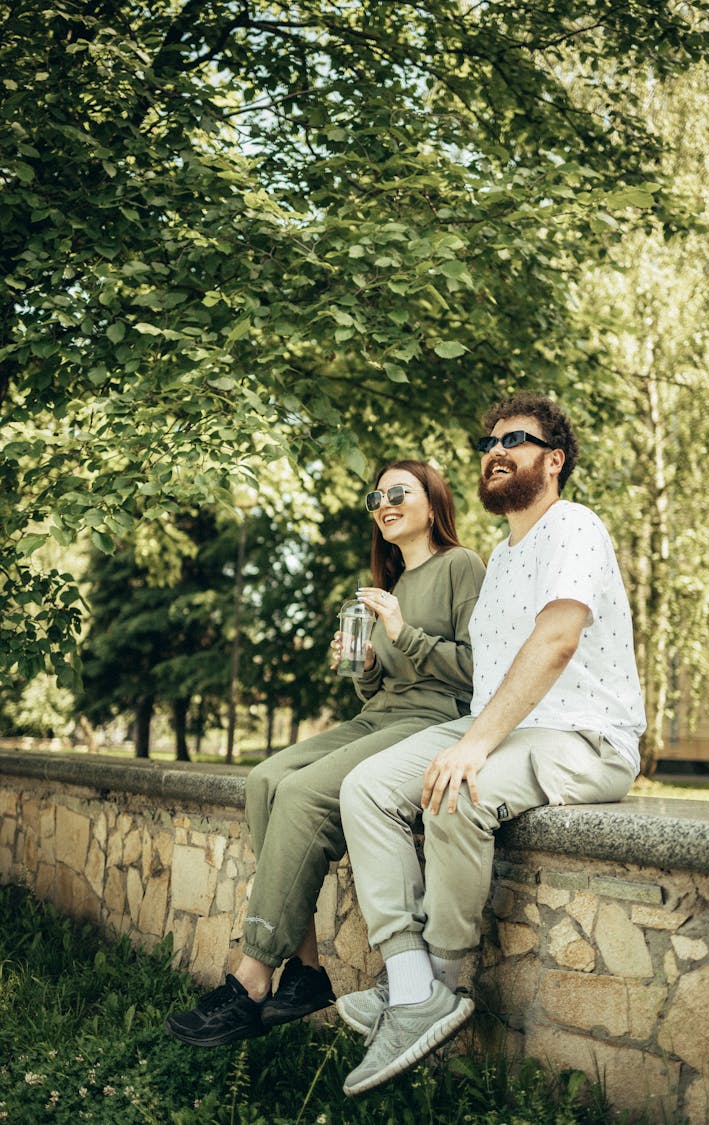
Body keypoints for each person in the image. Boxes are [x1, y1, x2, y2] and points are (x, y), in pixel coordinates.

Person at [337, 392, 646, 1096]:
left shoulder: (574, 525)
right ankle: (411, 977)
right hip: (505, 725)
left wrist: (473, 746)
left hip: (584, 734)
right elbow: (483, 675)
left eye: (517, 438)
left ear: (554, 458)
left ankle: (444, 982)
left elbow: (558, 639)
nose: (496, 449)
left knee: (454, 788)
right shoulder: (503, 559)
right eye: (488, 442)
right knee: (366, 786)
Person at [165, 460, 485, 1048]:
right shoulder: (389, 586)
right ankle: (308, 971)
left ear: (434, 502)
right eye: (376, 496)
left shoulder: (461, 566)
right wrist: (363, 666)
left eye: (399, 492)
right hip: (378, 716)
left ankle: (253, 975)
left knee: (306, 792)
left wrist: (400, 629)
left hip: (434, 720)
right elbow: (380, 689)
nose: (384, 502)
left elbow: (475, 668)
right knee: (265, 779)